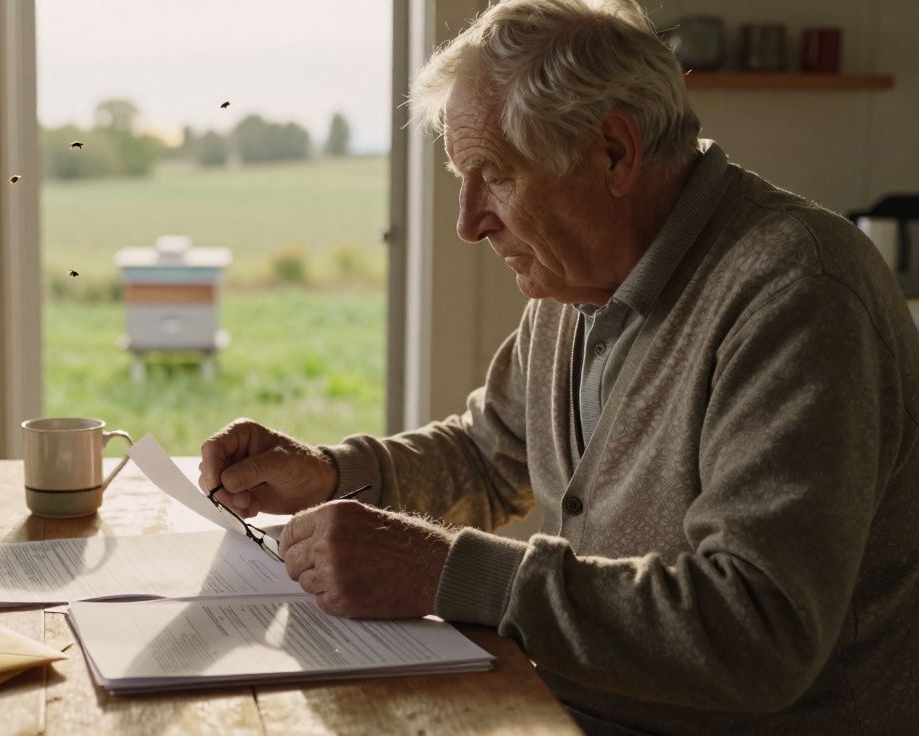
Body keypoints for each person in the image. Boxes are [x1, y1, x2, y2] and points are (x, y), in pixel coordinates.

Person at [196, 0, 919, 733]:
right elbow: (488, 457)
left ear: (612, 153)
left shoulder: (799, 292)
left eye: (495, 176)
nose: (469, 221)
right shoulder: (579, 277)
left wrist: (445, 572)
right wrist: (324, 470)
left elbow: (759, 630)